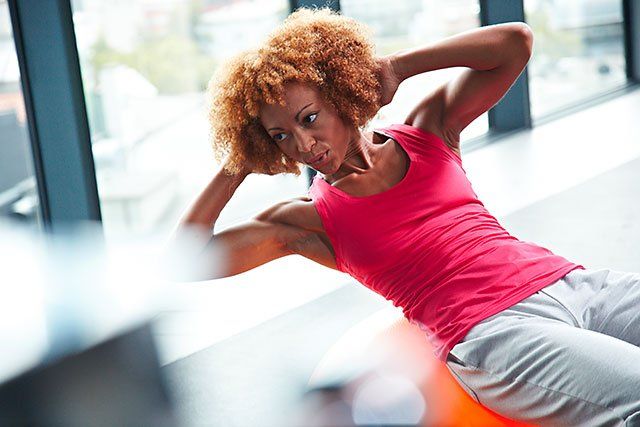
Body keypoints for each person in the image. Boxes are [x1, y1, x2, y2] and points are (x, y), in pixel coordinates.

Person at [170, 8, 640, 426]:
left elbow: (515, 42)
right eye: (280, 137)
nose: (303, 146)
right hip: (490, 333)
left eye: (308, 118)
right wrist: (237, 164)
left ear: (340, 93)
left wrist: (398, 67)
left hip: (568, 283)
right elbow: (185, 259)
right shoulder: (305, 221)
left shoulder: (428, 131)